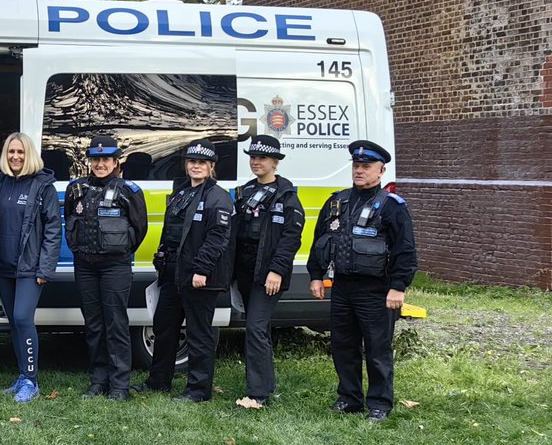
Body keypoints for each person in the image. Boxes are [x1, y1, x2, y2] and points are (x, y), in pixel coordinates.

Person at [307, 140, 417, 422]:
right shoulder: (337, 201)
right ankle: (349, 398)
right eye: (356, 165)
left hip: (376, 291)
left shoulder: (392, 206)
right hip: (342, 287)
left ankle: (380, 403)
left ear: (381, 171)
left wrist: (398, 286)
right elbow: (320, 240)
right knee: (344, 346)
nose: (360, 170)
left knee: (377, 350)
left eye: (366, 166)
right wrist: (316, 276)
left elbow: (405, 249)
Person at [140, 139, 235, 403]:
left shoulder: (218, 197)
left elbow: (218, 237)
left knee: (199, 334)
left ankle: (198, 390)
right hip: (173, 274)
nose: (196, 166)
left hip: (199, 277)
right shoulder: (182, 192)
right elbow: (171, 232)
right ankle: (158, 382)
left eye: (202, 162)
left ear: (212, 166)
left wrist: (202, 270)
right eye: (192, 161)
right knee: (164, 328)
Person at [65, 135, 148, 401]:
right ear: (90, 161)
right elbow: (69, 220)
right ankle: (98, 380)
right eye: (96, 159)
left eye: (106, 159)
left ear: (115, 161)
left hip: (115, 267)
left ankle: (120, 385)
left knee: (116, 324)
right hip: (86, 265)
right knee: (94, 325)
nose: (100, 164)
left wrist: (119, 251)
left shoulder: (129, 191)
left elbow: (139, 228)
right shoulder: (76, 189)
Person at [231, 135, 305, 406]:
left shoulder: (286, 196)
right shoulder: (245, 192)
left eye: (262, 158)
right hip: (246, 272)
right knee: (258, 328)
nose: (256, 162)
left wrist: (276, 271)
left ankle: (258, 394)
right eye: (252, 157)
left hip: (269, 274)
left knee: (255, 327)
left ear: (275, 162)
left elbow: (290, 240)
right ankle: (267, 384)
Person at [0, 132, 62, 403]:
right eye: (11, 152)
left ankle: (31, 380)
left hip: (30, 268)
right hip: (4, 268)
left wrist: (45, 269)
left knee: (22, 318)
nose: (15, 157)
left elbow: (53, 230)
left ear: (29, 154)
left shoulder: (44, 186)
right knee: (14, 323)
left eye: (20, 152)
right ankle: (21, 376)